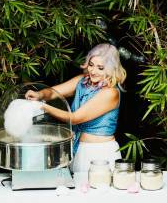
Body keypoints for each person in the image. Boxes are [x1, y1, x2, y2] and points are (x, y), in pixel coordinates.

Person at [25, 43, 125, 172]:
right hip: (79, 149)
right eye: (91, 64)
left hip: (100, 153)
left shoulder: (110, 93)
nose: (93, 71)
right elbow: (53, 92)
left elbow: (75, 118)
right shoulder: (82, 81)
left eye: (100, 68)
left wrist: (42, 107)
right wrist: (39, 94)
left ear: (111, 69)